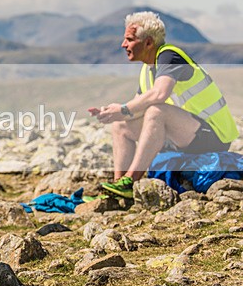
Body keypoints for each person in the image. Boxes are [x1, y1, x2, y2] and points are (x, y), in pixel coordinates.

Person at [90, 11, 239, 198]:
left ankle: (131, 181)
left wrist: (124, 109)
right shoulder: (147, 69)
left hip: (214, 135)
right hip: (185, 133)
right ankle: (118, 187)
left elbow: (160, 93)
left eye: (129, 39)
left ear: (148, 42)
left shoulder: (170, 56)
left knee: (156, 111)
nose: (123, 45)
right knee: (120, 126)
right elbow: (136, 109)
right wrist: (114, 113)